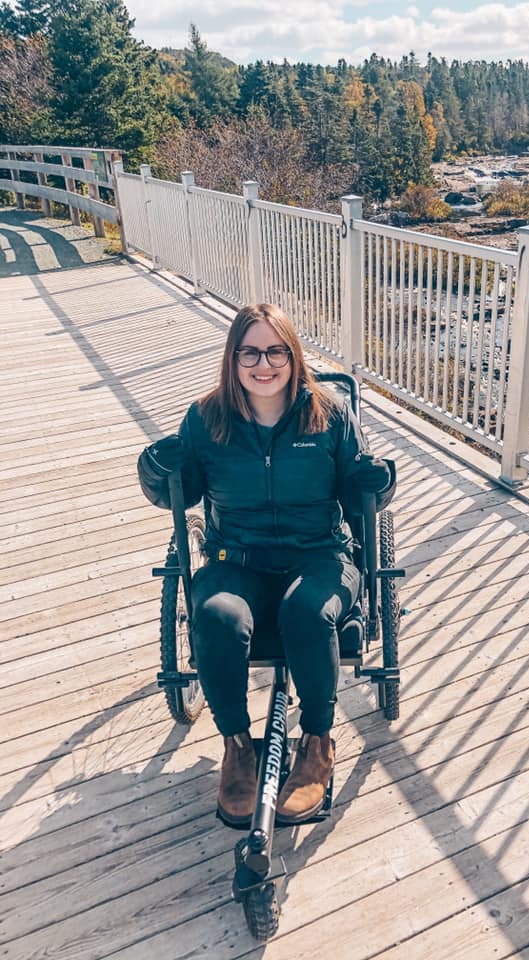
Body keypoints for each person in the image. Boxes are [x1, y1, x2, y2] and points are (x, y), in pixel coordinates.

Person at [138, 303, 395, 826]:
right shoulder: (206, 418)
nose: (264, 363)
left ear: (293, 355)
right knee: (216, 615)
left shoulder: (329, 413)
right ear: (233, 358)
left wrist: (379, 482)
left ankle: (318, 743)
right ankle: (237, 747)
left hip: (319, 555)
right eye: (250, 351)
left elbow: (360, 491)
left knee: (306, 612)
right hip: (238, 558)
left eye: (276, 350)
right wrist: (153, 469)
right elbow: (175, 493)